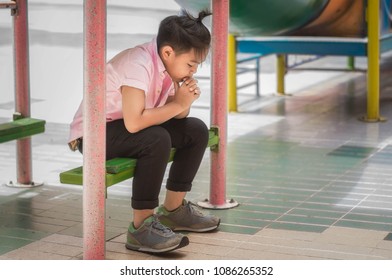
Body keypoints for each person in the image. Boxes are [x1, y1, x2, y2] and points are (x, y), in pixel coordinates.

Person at [67, 9, 220, 254]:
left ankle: (173, 210)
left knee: (196, 130)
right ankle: (141, 227)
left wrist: (184, 101)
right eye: (191, 64)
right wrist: (178, 104)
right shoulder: (137, 64)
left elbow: (178, 115)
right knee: (156, 139)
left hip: (125, 126)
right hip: (95, 133)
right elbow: (135, 123)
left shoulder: (168, 66)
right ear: (168, 52)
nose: (193, 71)